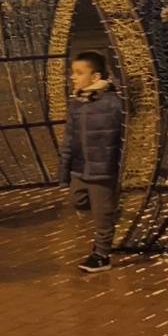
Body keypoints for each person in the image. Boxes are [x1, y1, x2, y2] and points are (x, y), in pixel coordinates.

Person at [60, 49, 126, 274]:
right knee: (77, 200)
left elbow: (126, 124)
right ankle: (109, 217)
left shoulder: (112, 103)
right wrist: (65, 169)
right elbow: (69, 137)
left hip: (102, 169)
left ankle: (101, 255)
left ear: (96, 77)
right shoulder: (77, 103)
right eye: (73, 73)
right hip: (80, 168)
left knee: (102, 216)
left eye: (79, 73)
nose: (73, 77)